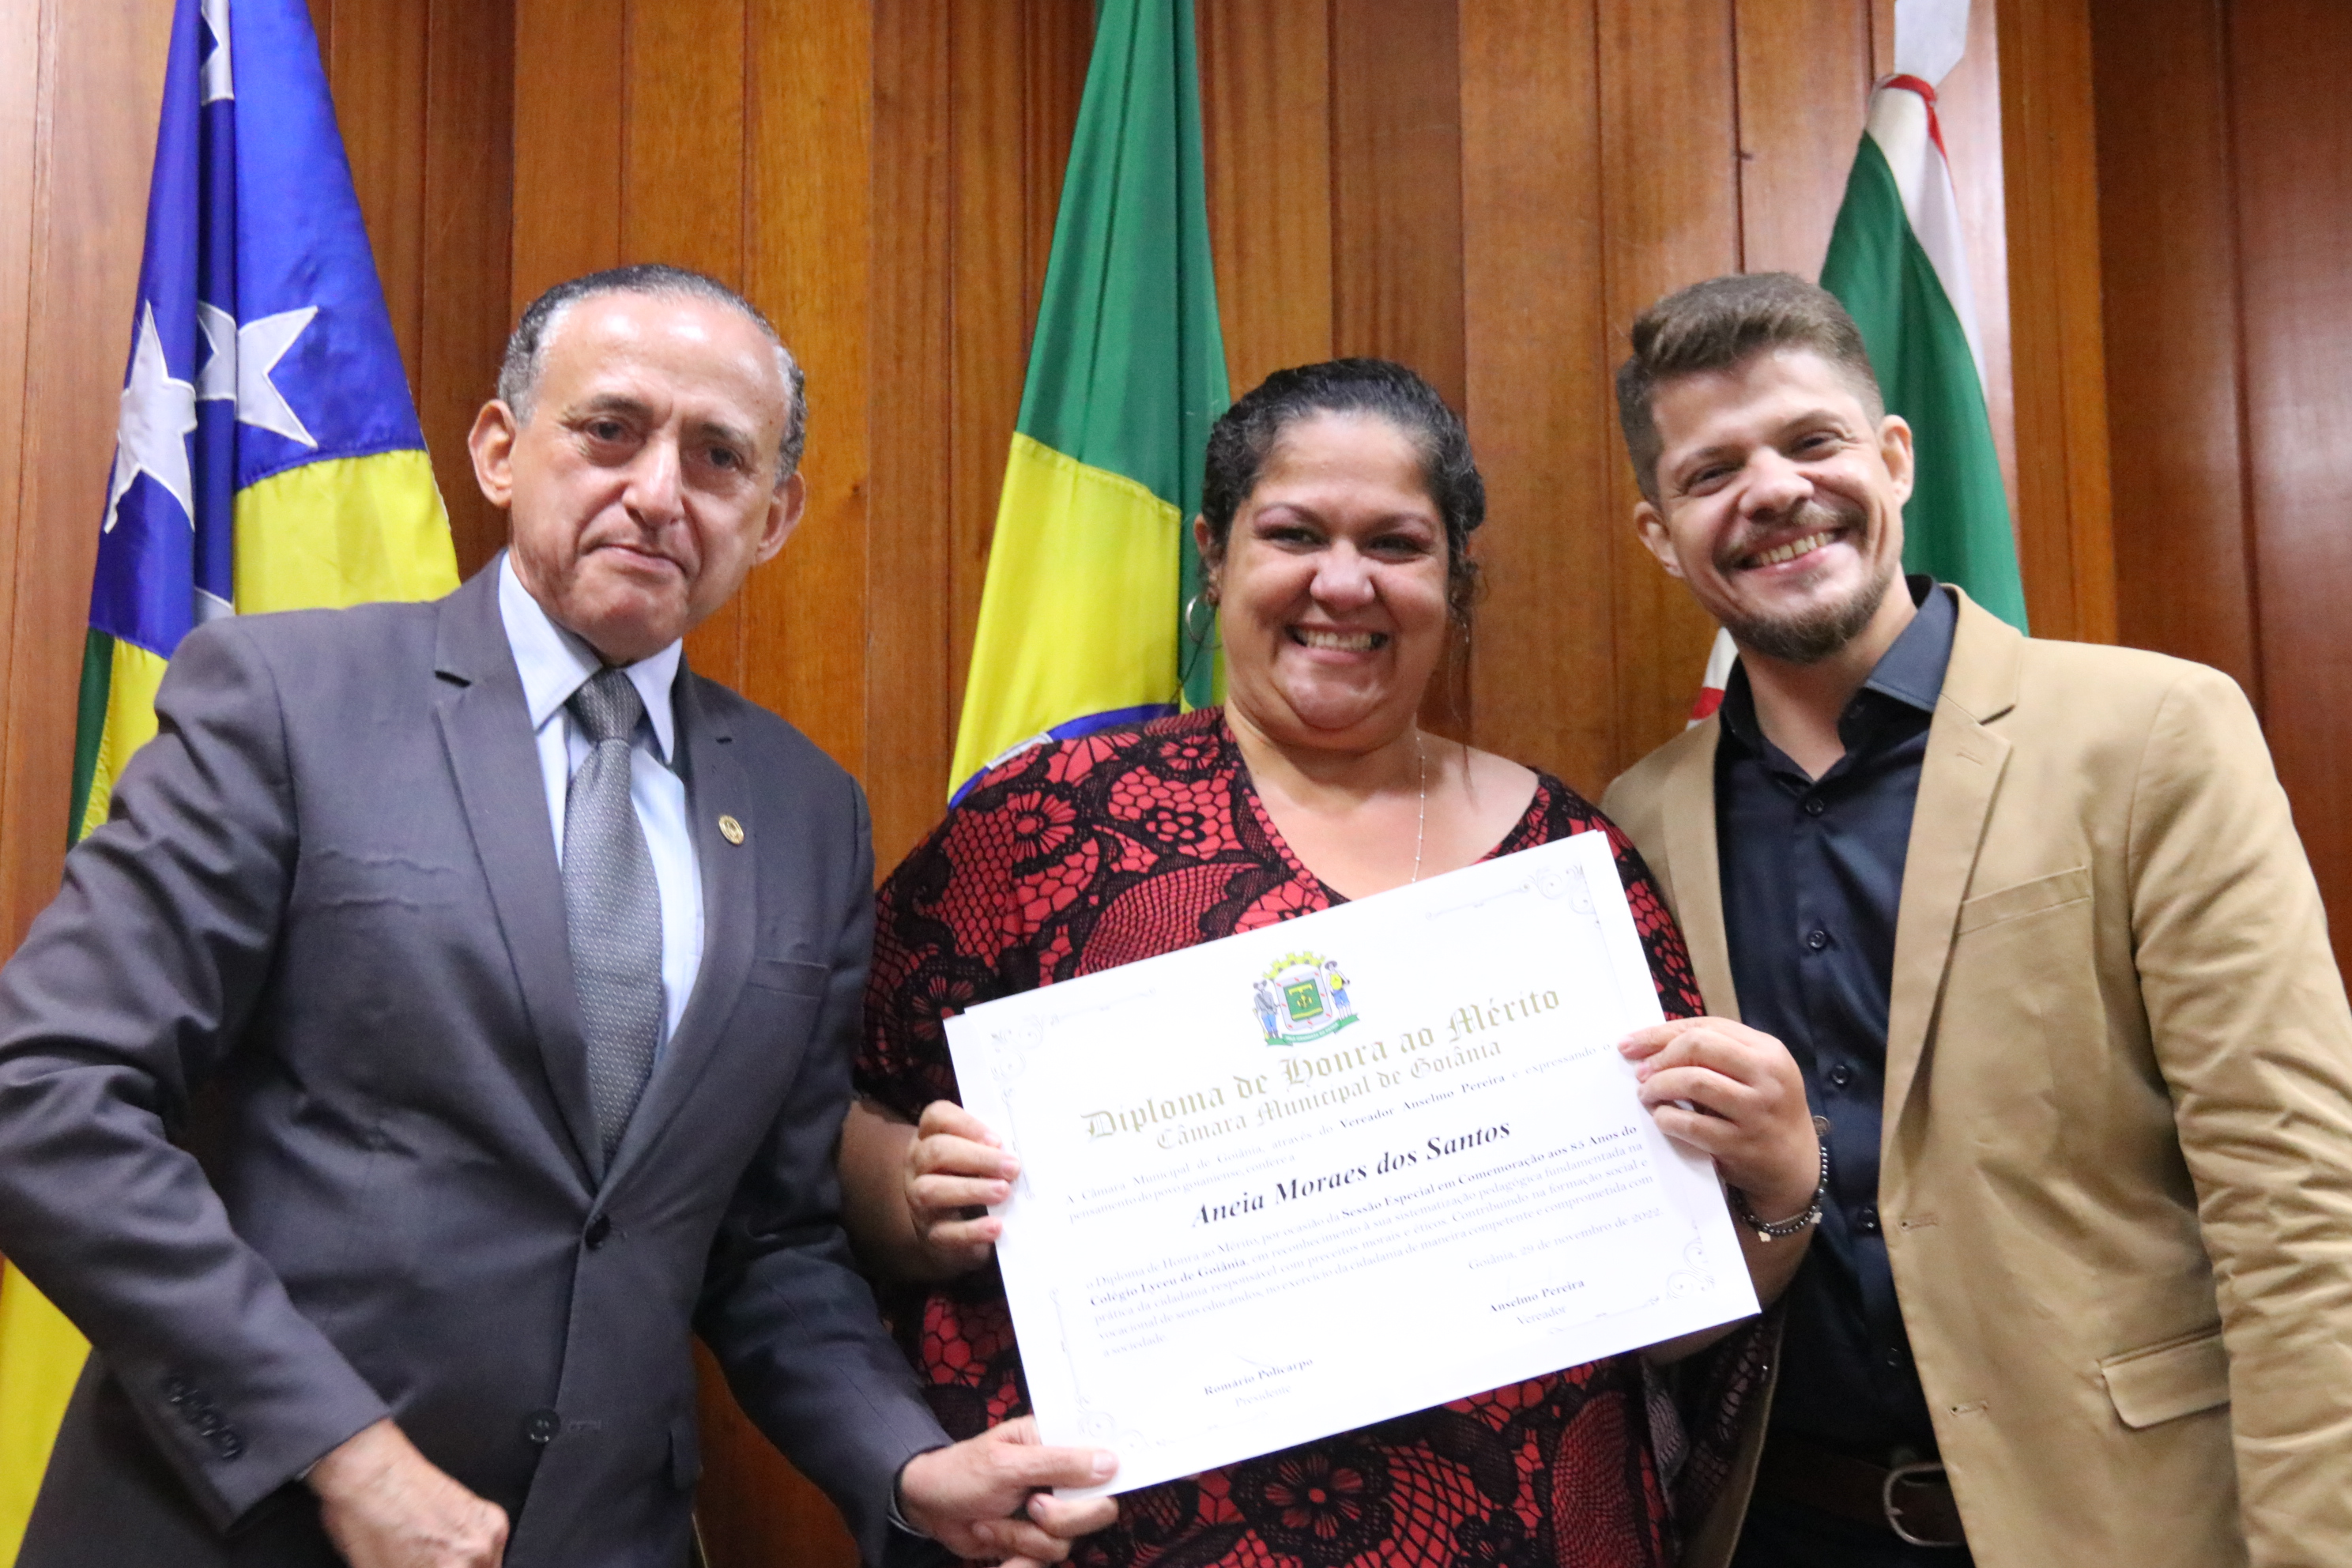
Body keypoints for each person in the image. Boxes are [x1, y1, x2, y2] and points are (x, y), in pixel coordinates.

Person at [0, 265, 1118, 1568]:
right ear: (500, 450)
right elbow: (47, 1096)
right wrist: (343, 1454)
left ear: (772, 517)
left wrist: (907, 1467)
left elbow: (768, 1238)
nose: (658, 492)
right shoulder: (291, 701)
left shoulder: (807, 812)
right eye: (609, 430)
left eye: (718, 458)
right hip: (239, 1527)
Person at [839, 358, 1826, 1568]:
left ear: (1454, 578)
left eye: (1396, 544)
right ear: (1215, 554)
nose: (1343, 582)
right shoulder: (1046, 819)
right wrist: (907, 1196)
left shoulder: (1570, 865)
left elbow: (1663, 1299)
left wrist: (1784, 1190)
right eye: (1295, 533)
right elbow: (823, 1117)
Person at [1600, 272, 2352, 1568]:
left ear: (1894, 459)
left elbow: (2294, 1197)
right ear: (1662, 534)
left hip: (2127, 1527)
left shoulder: (2153, 733)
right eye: (1712, 470)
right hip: (1783, 1526)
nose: (1773, 490)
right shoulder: (1638, 820)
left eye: (1812, 440)